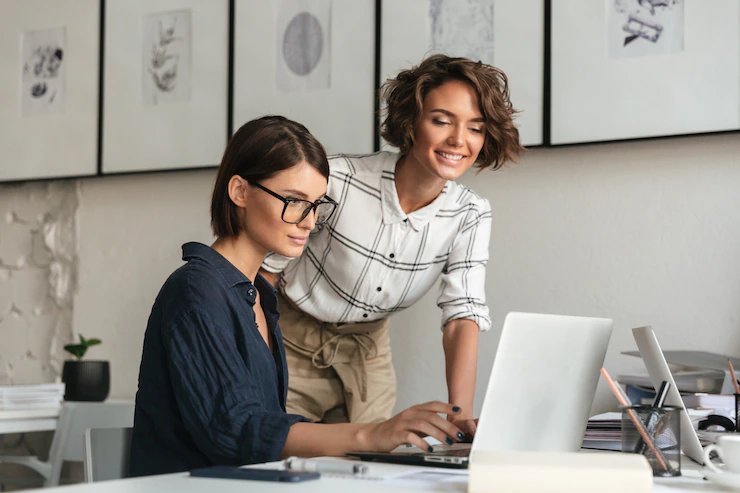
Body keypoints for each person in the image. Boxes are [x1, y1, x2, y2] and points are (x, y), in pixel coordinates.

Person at [129, 115, 465, 477]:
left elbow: (262, 424)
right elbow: (235, 428)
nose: (309, 221)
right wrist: (371, 434)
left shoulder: (258, 294)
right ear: (239, 191)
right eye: (294, 200)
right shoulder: (196, 292)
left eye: (317, 204)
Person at [260, 55, 525, 436]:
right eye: (441, 120)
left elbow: (462, 314)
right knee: (271, 455)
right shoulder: (339, 180)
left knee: (364, 470)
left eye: (475, 128)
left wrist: (459, 415)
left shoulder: (470, 214)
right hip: (288, 340)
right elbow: (263, 270)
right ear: (411, 121)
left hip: (368, 356)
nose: (458, 140)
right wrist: (254, 354)